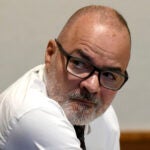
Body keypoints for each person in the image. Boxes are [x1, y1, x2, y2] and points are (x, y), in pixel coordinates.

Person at [0, 5, 131, 150]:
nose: (92, 86)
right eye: (79, 63)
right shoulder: (32, 113)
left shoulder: (106, 120)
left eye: (109, 75)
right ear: (51, 53)